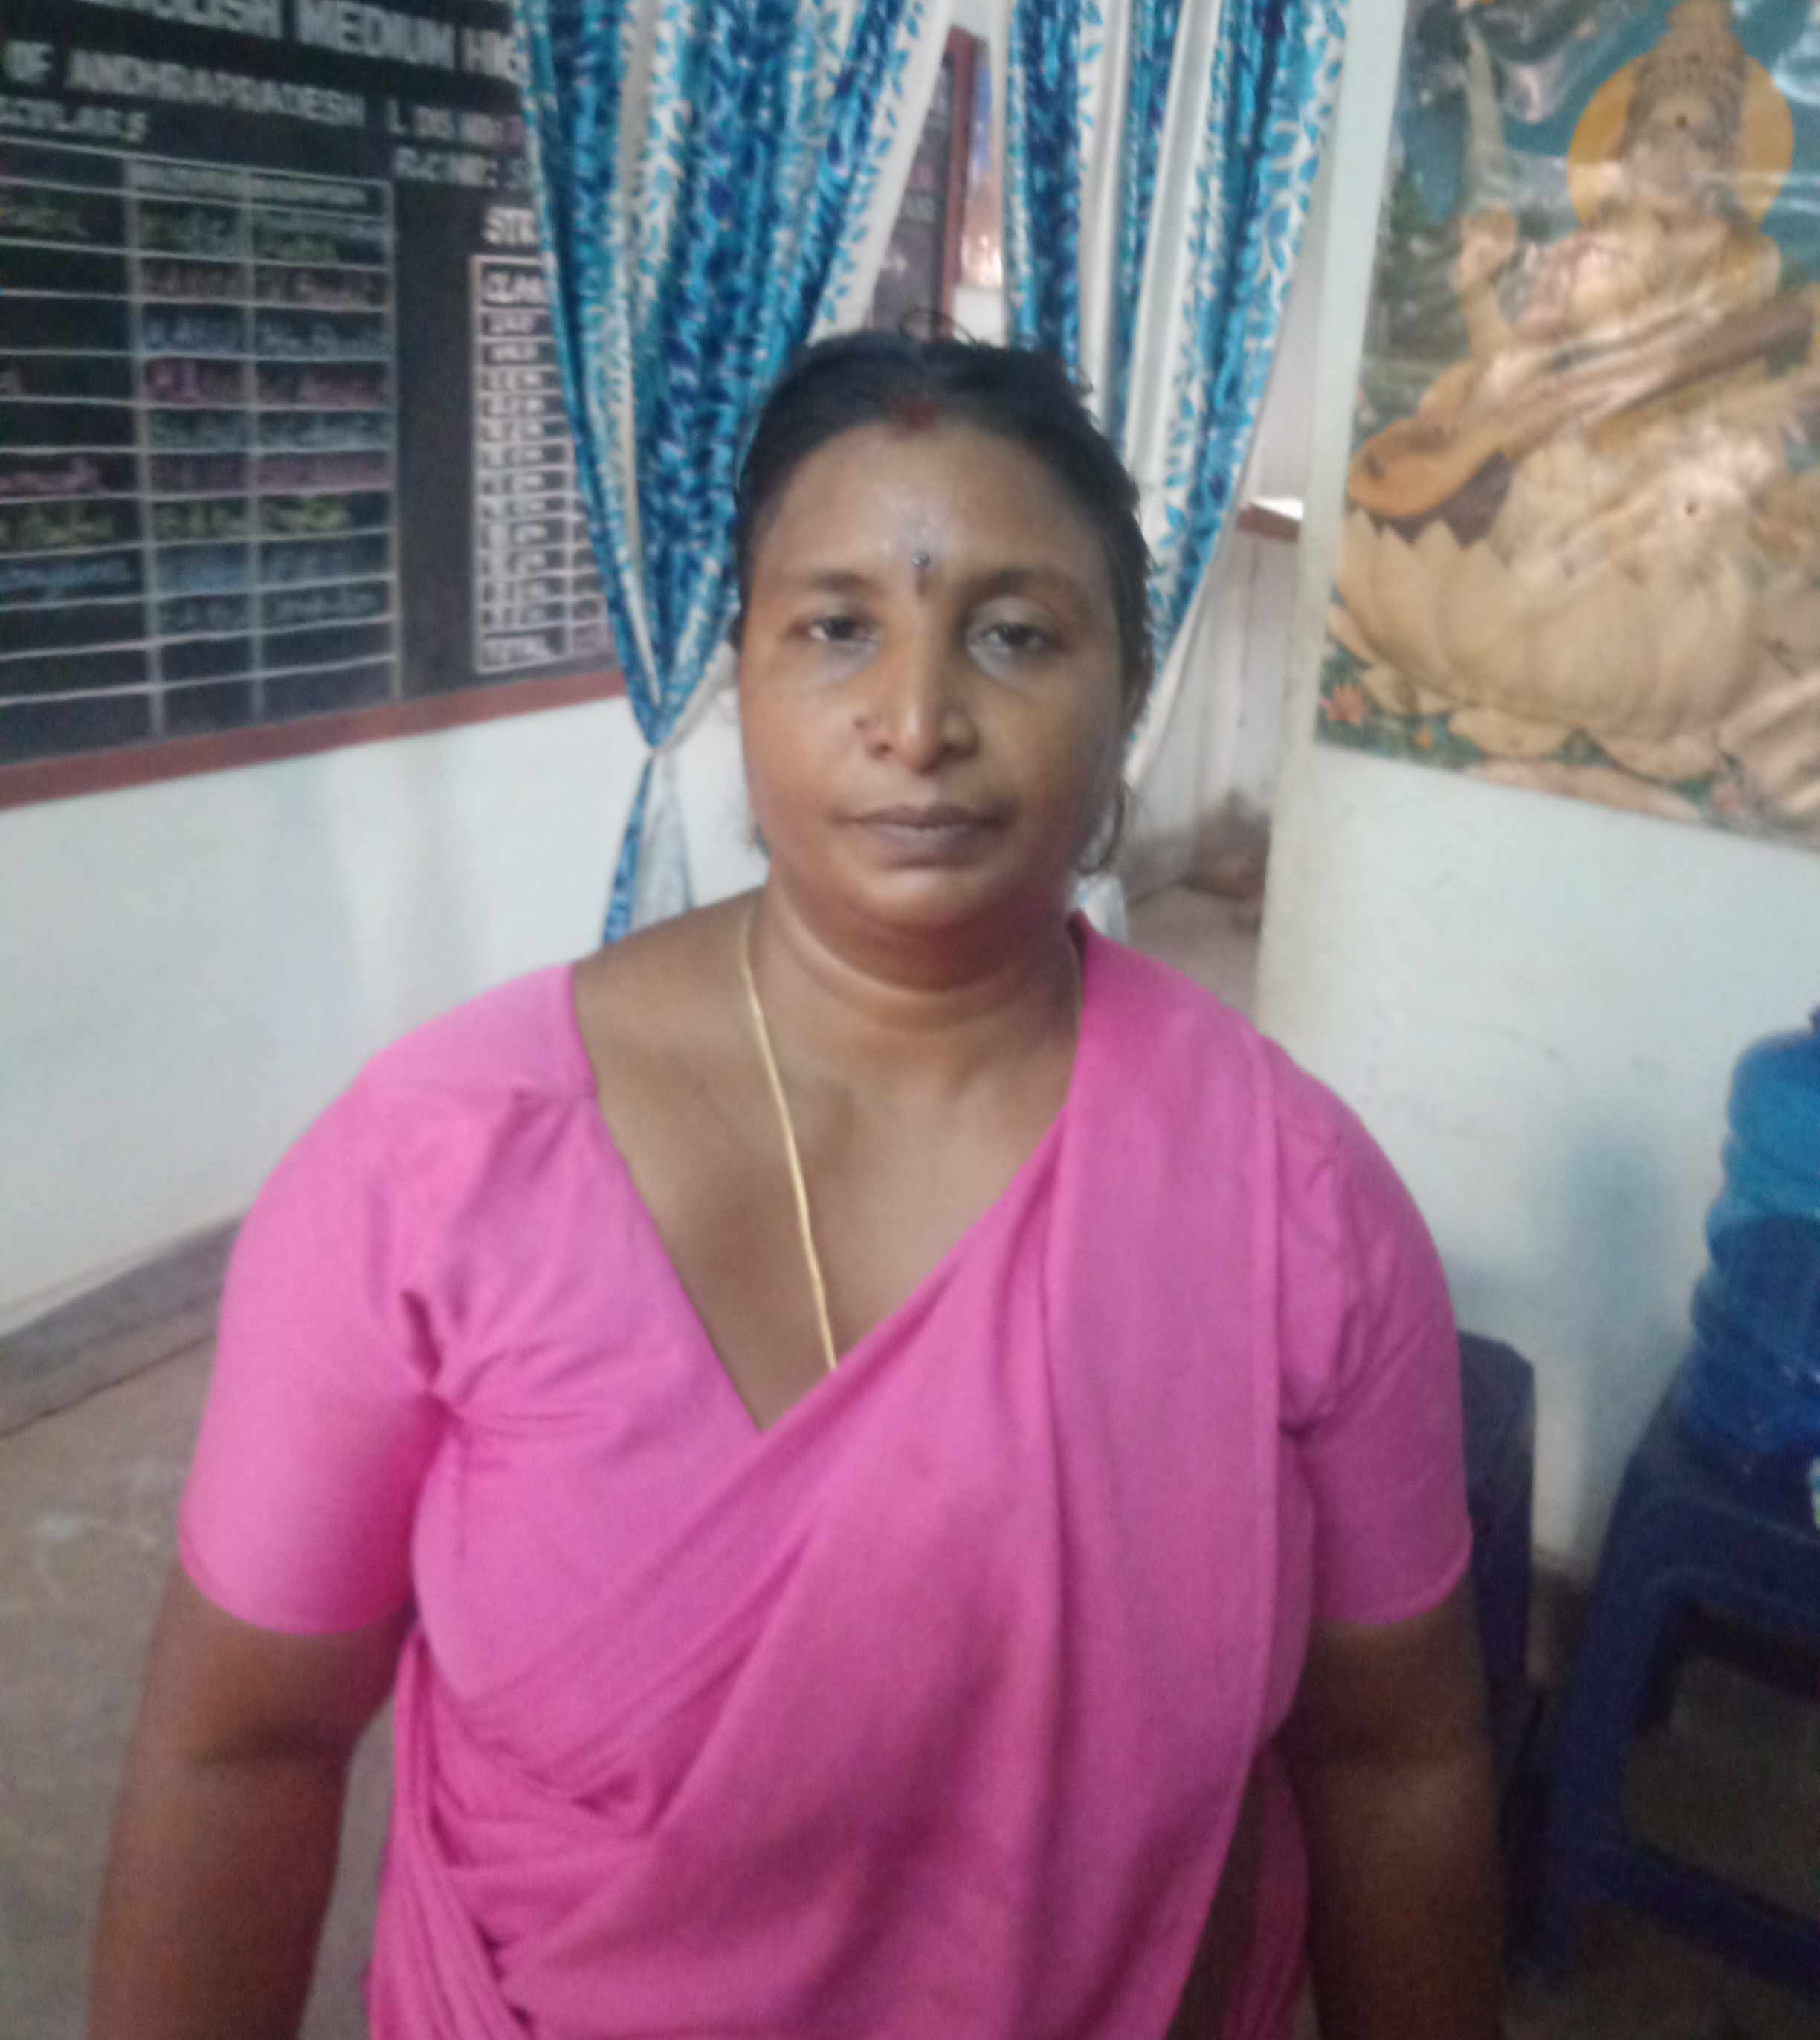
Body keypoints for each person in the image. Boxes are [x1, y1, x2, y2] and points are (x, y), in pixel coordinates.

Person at [91, 334, 1502, 2039]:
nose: (918, 721)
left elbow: (1394, 1756)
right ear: (741, 673)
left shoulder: (1297, 1208)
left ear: (1127, 694)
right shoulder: (433, 1176)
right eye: (837, 628)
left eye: (1015, 633)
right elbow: (243, 1746)